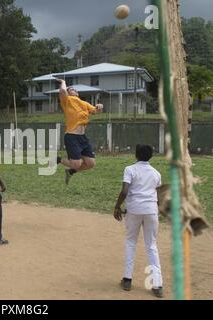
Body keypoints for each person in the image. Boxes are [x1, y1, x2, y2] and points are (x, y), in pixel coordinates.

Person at [114, 144, 163, 298]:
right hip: (151, 211)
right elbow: (158, 195)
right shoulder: (156, 173)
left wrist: (117, 206)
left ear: (135, 155)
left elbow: (124, 191)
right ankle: (157, 285)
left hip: (134, 210)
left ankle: (127, 280)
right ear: (151, 156)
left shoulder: (130, 169)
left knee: (131, 242)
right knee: (151, 246)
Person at [55, 79, 104, 185]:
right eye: (71, 89)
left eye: (75, 89)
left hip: (82, 137)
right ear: (68, 93)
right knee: (76, 164)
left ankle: (70, 171)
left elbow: (95, 111)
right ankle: (57, 159)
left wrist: (100, 107)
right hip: (71, 136)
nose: (75, 90)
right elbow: (63, 91)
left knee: (91, 163)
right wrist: (63, 81)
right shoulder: (67, 101)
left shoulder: (84, 103)